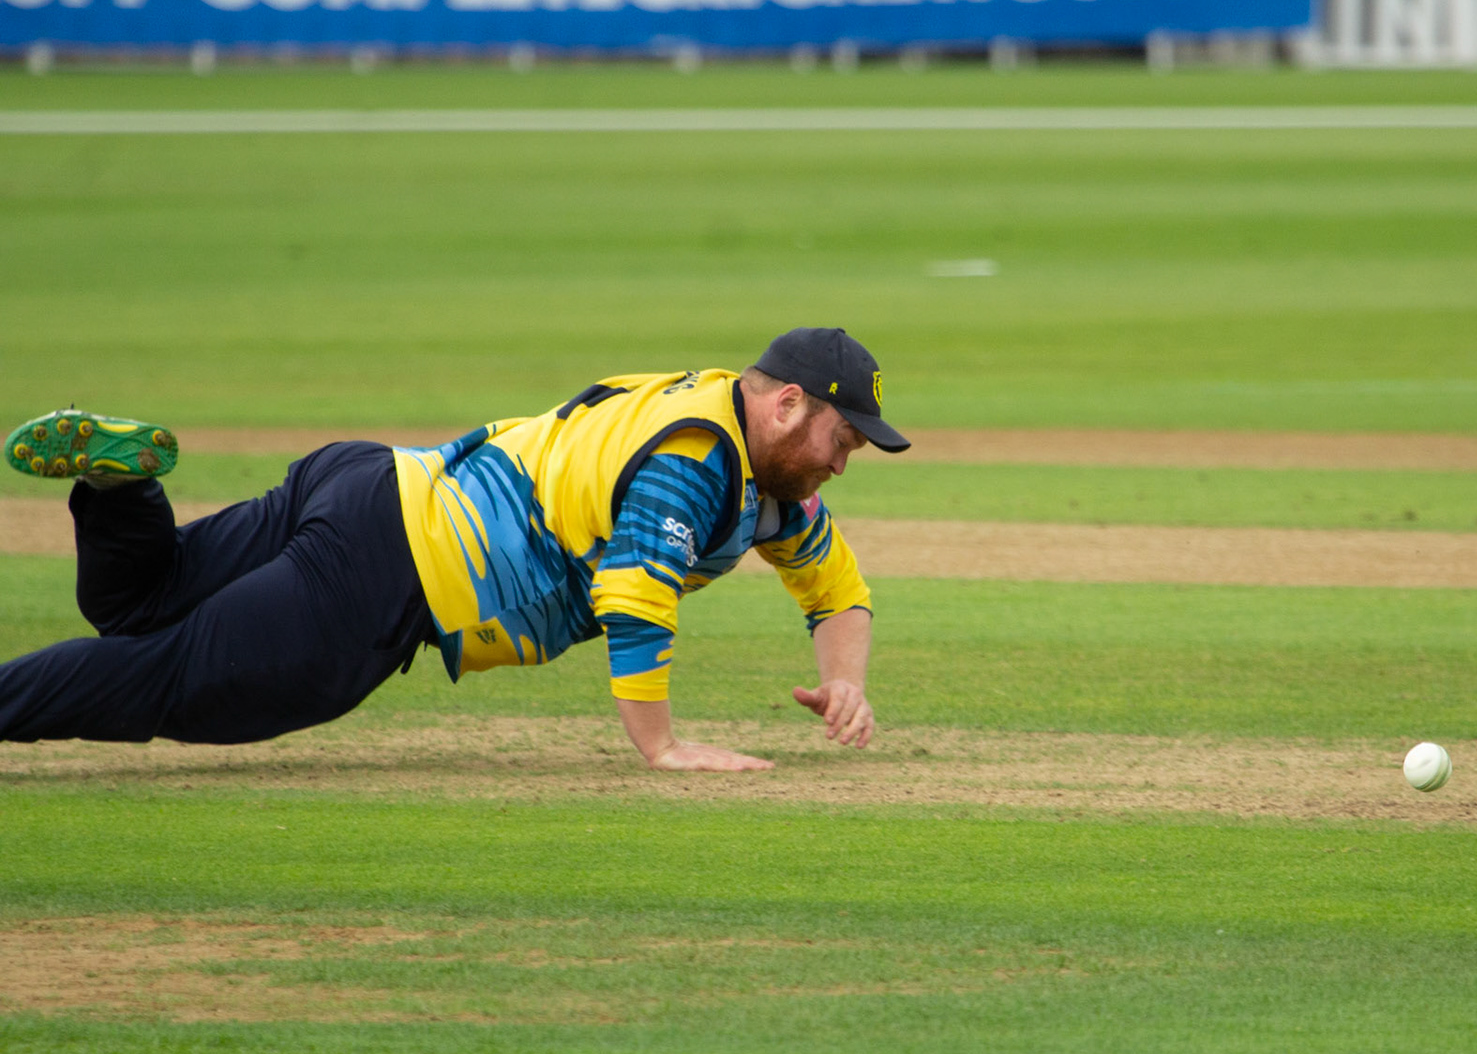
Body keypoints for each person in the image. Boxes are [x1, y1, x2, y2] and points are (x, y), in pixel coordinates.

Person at [0, 327, 908, 773]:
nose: (843, 461)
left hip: (367, 481)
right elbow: (636, 593)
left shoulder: (752, 468)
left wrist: (847, 681)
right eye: (843, 438)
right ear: (788, 404)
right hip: (393, 569)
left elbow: (836, 587)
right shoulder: (699, 458)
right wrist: (663, 748)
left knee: (136, 601)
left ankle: (123, 489)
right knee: (166, 678)